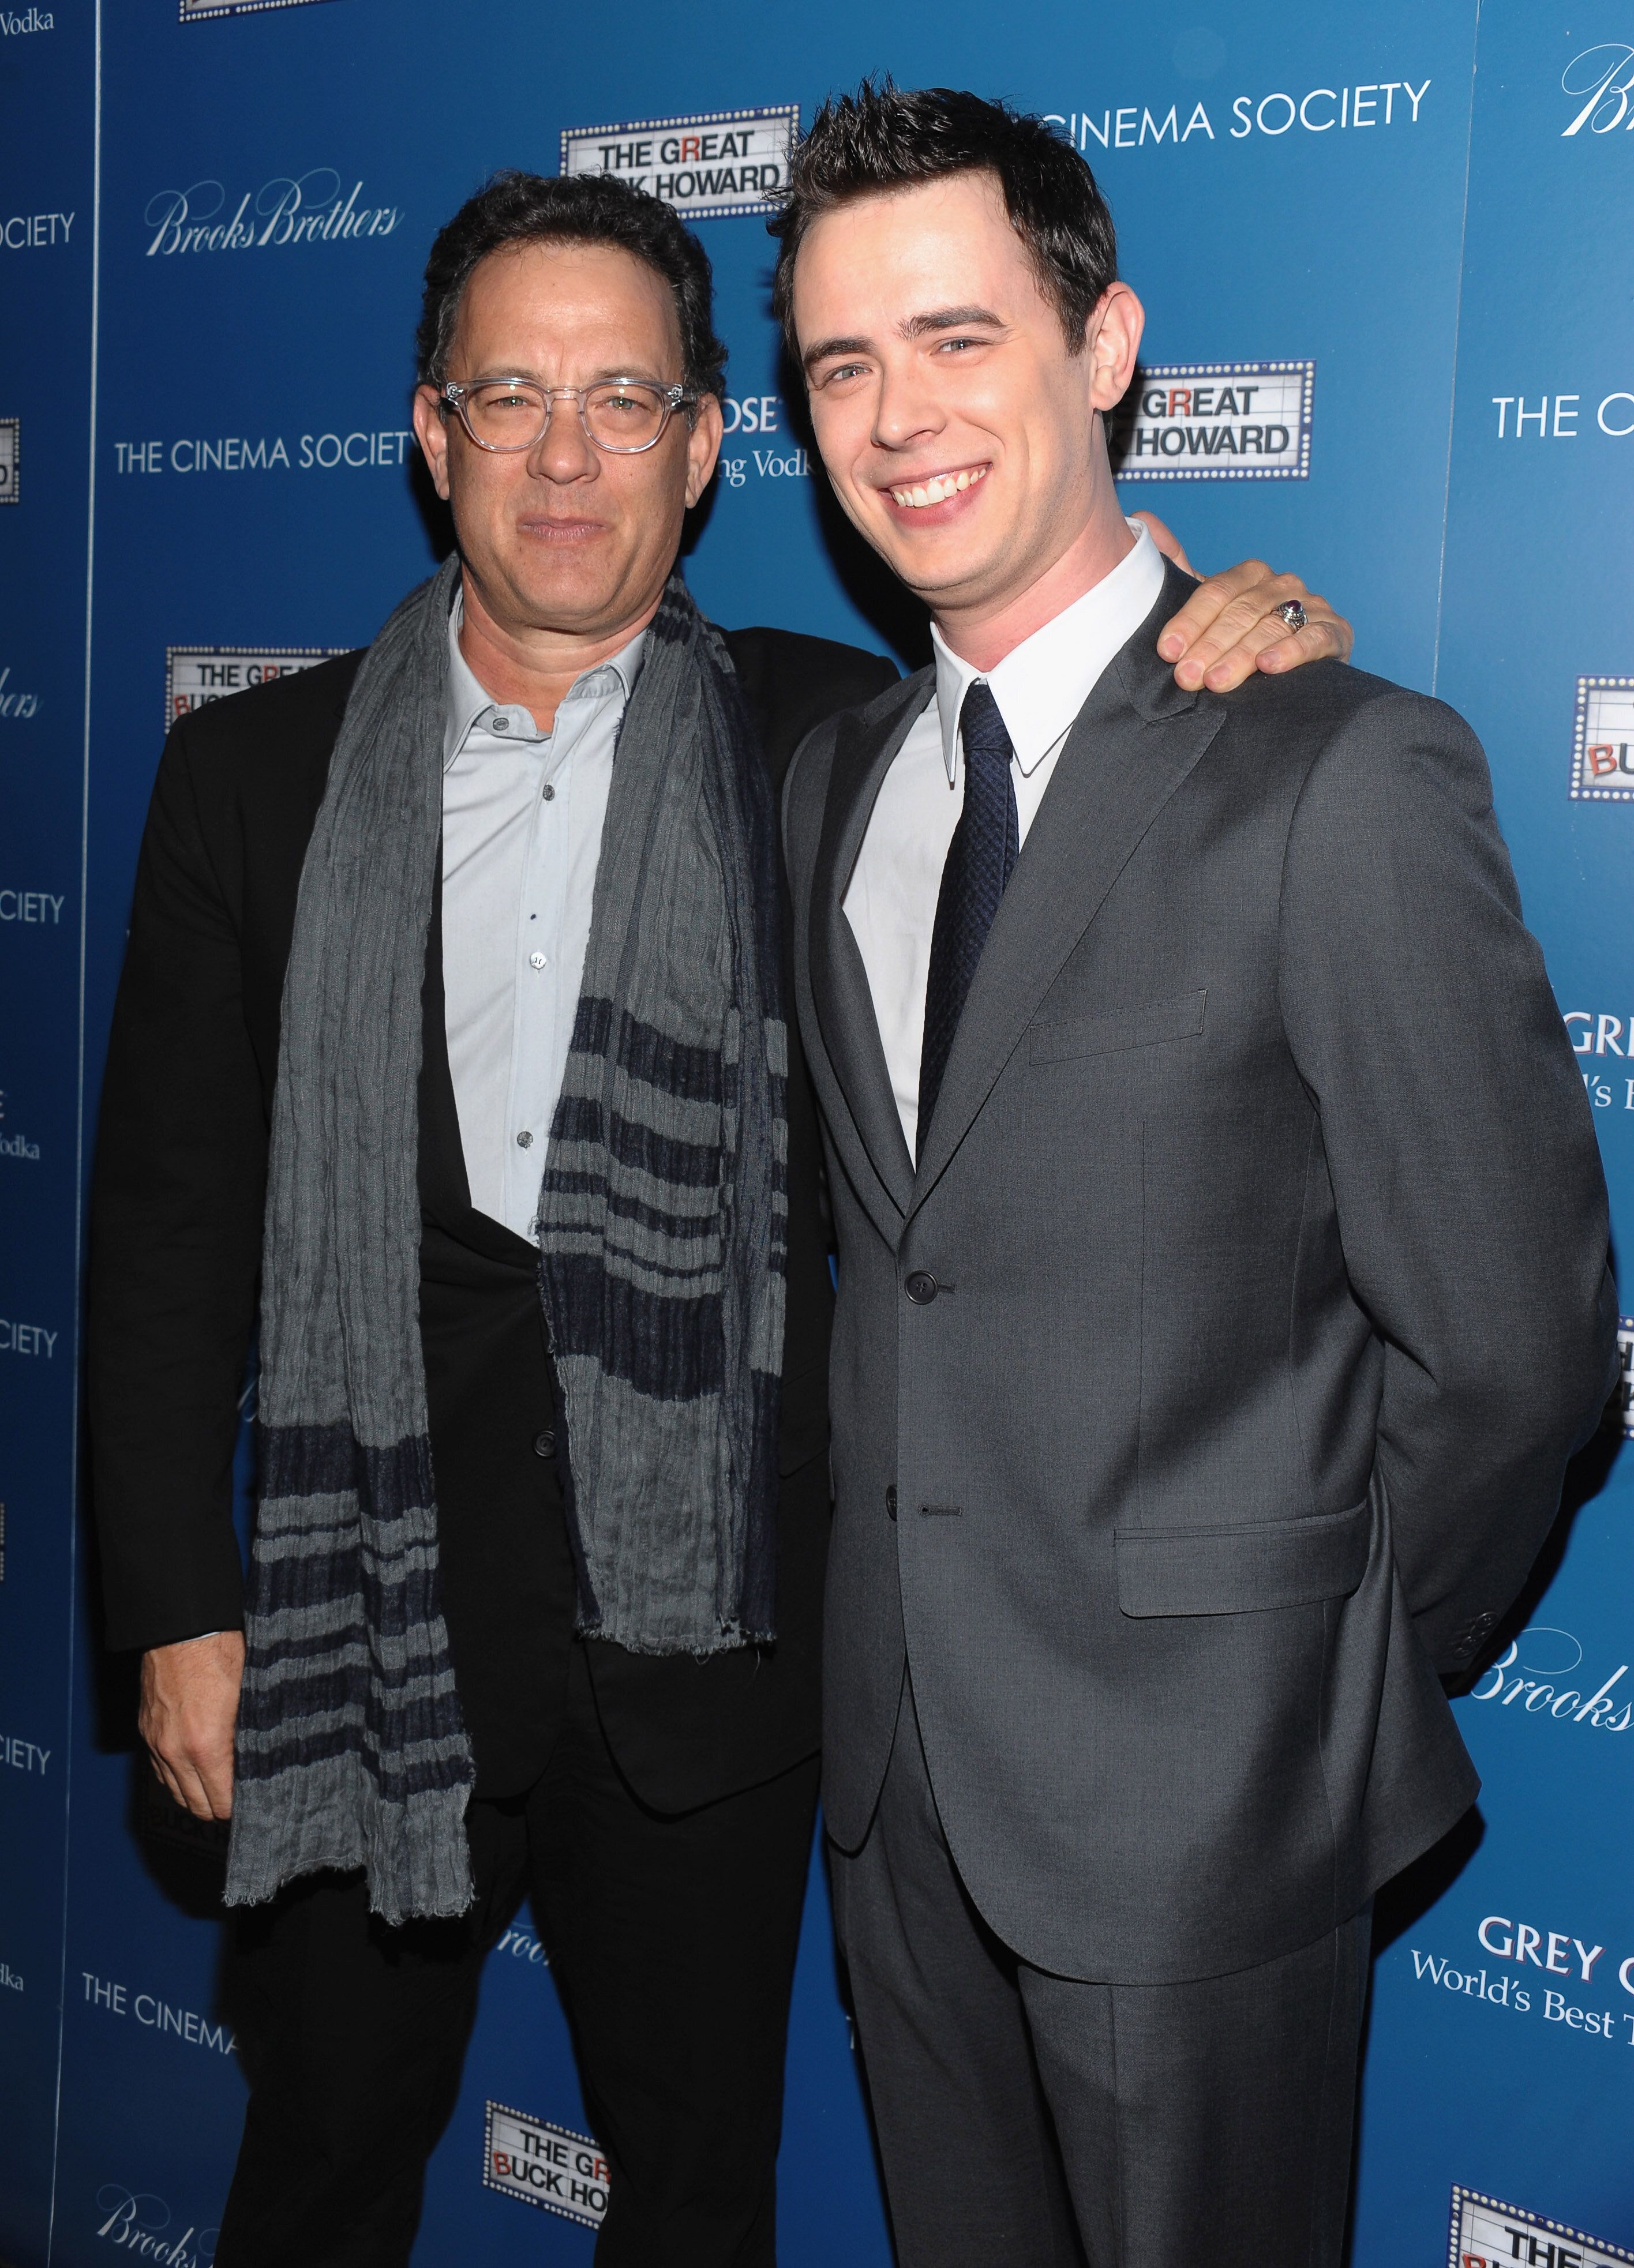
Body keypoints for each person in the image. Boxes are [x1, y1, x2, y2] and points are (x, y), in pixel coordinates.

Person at [89, 166, 1350, 2268]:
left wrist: (1255, 619)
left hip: (715, 1653)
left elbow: (1081, 723)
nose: (565, 453)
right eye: (509, 396)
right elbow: (163, 1232)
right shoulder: (255, 779)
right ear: (432, 437)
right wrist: (174, 1603)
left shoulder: (828, 744)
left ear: (699, 444)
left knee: (695, 2202)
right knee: (315, 2172)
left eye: (624, 398)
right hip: (357, 1626)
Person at [775, 84, 1619, 2268]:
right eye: (840, 363)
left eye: (957, 337)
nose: (896, 416)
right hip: (888, 1794)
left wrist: (1287, 1683)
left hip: (1202, 1818)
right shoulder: (835, 780)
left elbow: (1521, 1358)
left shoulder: (1339, 770)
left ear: (1109, 343)